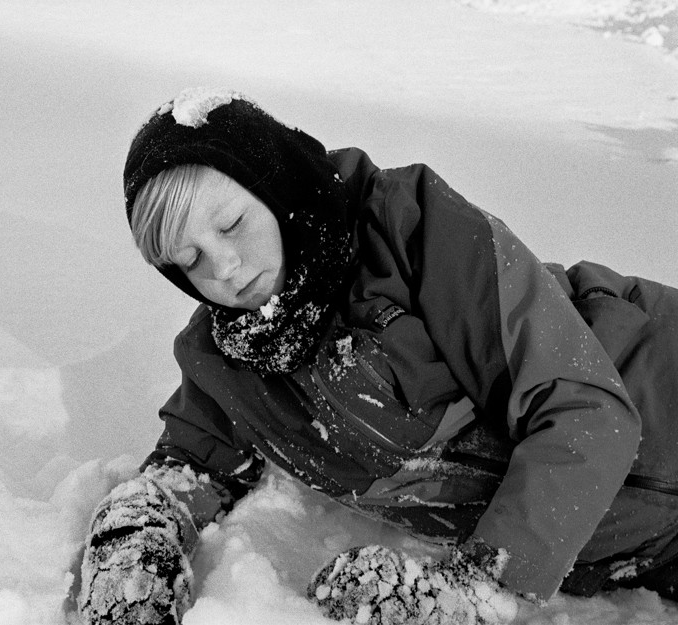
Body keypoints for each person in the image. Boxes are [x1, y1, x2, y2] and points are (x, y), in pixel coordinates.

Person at [77, 87, 678, 625]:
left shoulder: (407, 227)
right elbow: (188, 465)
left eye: (232, 224)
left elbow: (584, 409)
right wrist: (132, 543)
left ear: (275, 184)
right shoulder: (230, 359)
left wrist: (479, 590)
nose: (224, 270)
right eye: (188, 261)